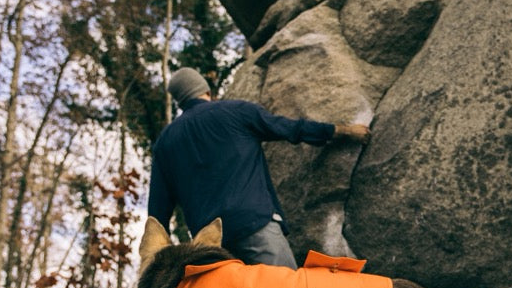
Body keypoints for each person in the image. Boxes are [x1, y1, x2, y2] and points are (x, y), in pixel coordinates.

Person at [148, 67, 370, 267]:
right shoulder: (235, 112)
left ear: (179, 100)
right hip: (254, 225)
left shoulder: (165, 144)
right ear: (205, 90)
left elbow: (157, 216)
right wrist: (340, 131)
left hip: (210, 247)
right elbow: (289, 129)